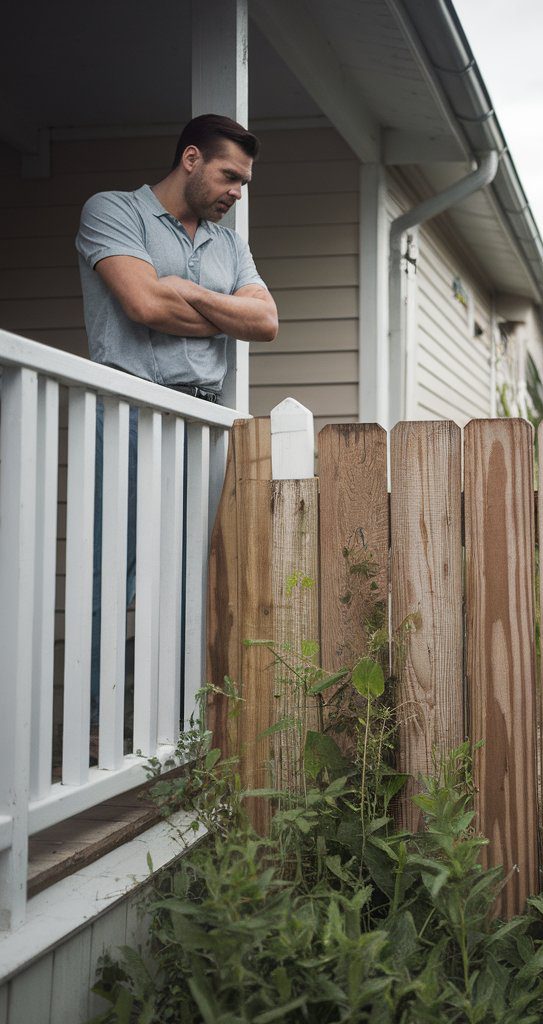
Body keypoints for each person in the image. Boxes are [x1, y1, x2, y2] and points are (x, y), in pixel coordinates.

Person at [75, 114, 278, 729]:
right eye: (229, 177)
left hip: (204, 420)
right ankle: (96, 729)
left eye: (244, 183)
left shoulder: (230, 242)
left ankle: (176, 727)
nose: (236, 194)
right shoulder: (114, 212)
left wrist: (181, 295)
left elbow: (266, 322)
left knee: (197, 575)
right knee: (117, 572)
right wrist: (223, 312)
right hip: (131, 409)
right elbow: (141, 304)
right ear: (191, 158)